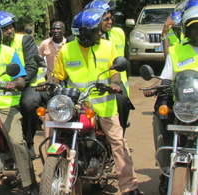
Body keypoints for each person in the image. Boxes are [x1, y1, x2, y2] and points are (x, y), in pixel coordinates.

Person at [53, 9, 143, 195]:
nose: (100, 33)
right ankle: (54, 173)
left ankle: (129, 185)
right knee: (54, 129)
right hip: (77, 106)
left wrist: (116, 84)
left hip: (104, 105)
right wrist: (50, 87)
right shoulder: (66, 50)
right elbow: (58, 76)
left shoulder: (107, 46)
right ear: (84, 33)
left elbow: (114, 72)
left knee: (118, 142)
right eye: (95, 30)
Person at [143, 5, 198, 194]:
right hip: (182, 103)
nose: (197, 30)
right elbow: (166, 77)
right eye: (194, 27)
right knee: (160, 113)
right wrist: (153, 88)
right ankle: (167, 170)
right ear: (186, 29)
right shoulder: (176, 52)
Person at [0, 18, 38, 195]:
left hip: (6, 104)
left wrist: (14, 84)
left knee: (17, 141)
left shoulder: (8, 52)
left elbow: (21, 79)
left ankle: (30, 182)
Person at [0, 11, 47, 160]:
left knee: (30, 103)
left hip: (26, 84)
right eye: (5, 28)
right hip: (1, 87)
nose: (10, 31)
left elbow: (31, 67)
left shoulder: (25, 40)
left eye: (11, 27)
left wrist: (18, 83)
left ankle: (28, 142)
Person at [84, 0, 134, 134]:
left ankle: (120, 135)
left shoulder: (119, 33)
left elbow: (126, 60)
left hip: (115, 81)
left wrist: (120, 84)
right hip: (90, 82)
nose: (110, 21)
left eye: (111, 17)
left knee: (122, 100)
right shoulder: (81, 38)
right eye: (105, 18)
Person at [38, 20, 66, 151]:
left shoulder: (69, 46)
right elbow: (37, 62)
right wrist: (40, 80)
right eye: (54, 29)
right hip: (49, 85)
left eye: (59, 29)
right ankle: (49, 146)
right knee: (49, 113)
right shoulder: (45, 44)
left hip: (65, 85)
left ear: (63, 31)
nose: (56, 31)